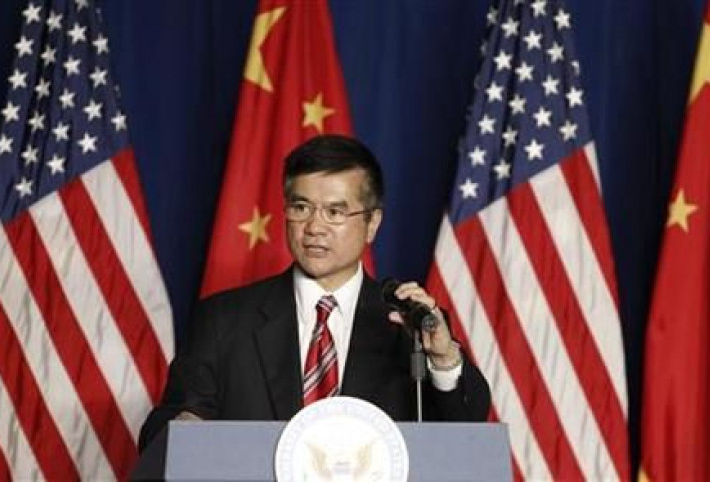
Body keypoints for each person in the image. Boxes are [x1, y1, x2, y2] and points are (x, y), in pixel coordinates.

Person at [139, 134, 490, 449]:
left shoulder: (408, 324)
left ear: (372, 224)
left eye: (335, 211)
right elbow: (159, 435)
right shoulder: (223, 320)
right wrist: (188, 431)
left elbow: (467, 433)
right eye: (301, 207)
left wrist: (443, 360)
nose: (315, 227)